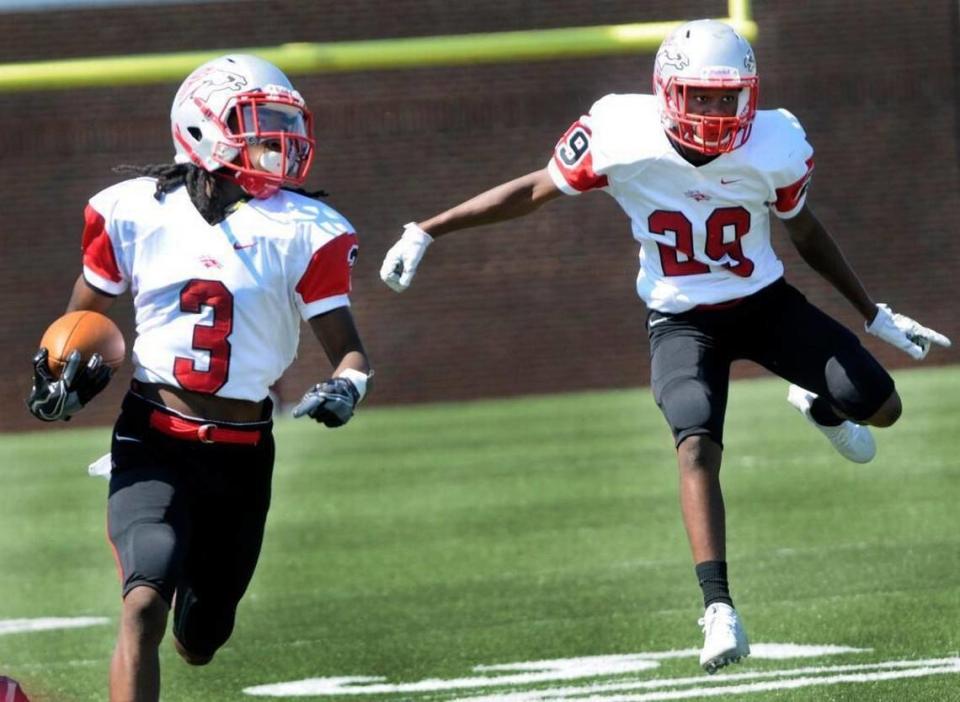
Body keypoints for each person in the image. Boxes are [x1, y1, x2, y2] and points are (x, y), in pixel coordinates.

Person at [380, 20, 951, 674]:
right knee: (696, 440)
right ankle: (717, 608)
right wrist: (428, 230)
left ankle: (821, 405)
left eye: (724, 97)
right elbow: (534, 191)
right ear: (666, 91)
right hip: (681, 318)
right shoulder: (621, 132)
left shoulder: (775, 141)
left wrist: (871, 313)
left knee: (882, 407)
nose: (711, 112)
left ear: (749, 95)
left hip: (763, 305)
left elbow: (806, 232)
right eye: (697, 96)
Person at [26, 54, 372, 701]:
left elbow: (349, 352)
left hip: (241, 455)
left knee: (201, 640)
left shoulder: (304, 228)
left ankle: (199, 611)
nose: (276, 142)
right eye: (256, 124)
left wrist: (346, 388)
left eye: (280, 126)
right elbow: (80, 321)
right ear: (201, 128)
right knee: (142, 606)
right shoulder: (133, 212)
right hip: (151, 440)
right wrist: (58, 374)